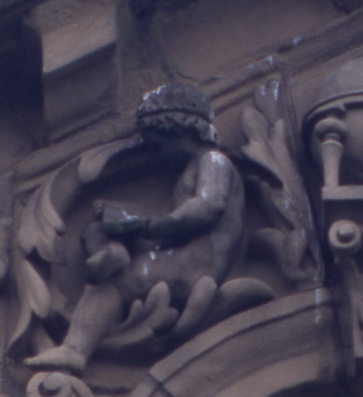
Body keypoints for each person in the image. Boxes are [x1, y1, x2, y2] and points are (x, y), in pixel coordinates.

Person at [28, 83, 245, 373]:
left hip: (194, 267)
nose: (159, 152)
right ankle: (112, 251)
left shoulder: (213, 161)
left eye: (159, 143)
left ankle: (75, 350)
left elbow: (208, 207)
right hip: (181, 257)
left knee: (114, 280)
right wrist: (127, 221)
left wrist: (143, 226)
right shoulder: (196, 167)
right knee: (97, 231)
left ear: (179, 131)